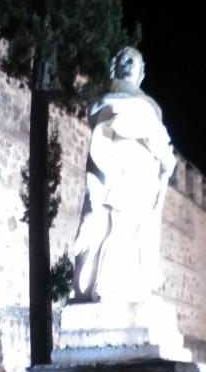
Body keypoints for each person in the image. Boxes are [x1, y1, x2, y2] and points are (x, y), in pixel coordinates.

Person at [71, 47, 176, 302]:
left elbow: (158, 143)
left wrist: (164, 157)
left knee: (135, 231)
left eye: (134, 61)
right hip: (117, 170)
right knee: (115, 223)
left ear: (141, 72)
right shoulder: (107, 101)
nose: (129, 63)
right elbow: (110, 125)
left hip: (142, 175)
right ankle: (104, 286)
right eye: (124, 60)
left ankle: (128, 287)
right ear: (114, 68)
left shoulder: (149, 108)